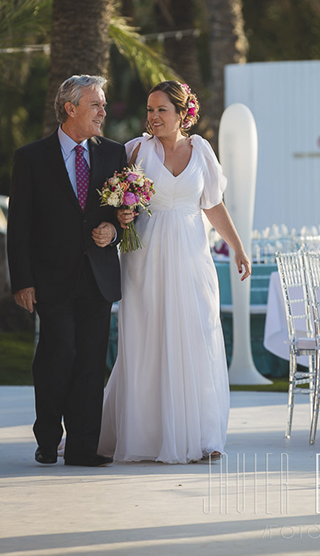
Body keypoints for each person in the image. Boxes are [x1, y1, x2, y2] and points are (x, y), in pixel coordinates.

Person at [98, 81, 252, 463]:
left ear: (183, 114)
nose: (153, 117)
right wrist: (120, 215)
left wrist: (238, 246)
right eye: (149, 110)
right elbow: (114, 202)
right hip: (145, 258)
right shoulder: (134, 150)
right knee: (147, 341)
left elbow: (213, 205)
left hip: (192, 258)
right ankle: (146, 436)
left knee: (197, 335)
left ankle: (202, 435)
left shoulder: (201, 151)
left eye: (161, 110)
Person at [8, 74, 126, 467]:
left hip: (97, 276)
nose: (103, 112)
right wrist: (22, 280)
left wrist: (115, 229)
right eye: (96, 104)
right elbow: (19, 225)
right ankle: (47, 437)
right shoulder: (31, 157)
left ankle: (82, 447)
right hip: (50, 279)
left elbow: (125, 212)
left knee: (92, 362)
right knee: (58, 355)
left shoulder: (113, 154)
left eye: (103, 104)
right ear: (70, 107)